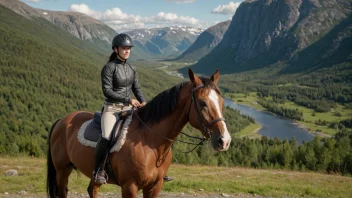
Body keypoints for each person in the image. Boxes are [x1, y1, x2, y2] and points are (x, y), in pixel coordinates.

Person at [93, 33, 147, 184]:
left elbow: (137, 88)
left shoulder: (131, 68)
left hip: (130, 108)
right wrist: (128, 99)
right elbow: (107, 91)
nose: (127, 51)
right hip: (112, 109)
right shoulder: (109, 68)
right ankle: (98, 171)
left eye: (129, 48)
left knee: (147, 131)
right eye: (124, 48)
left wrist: (143, 102)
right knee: (106, 137)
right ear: (115, 49)